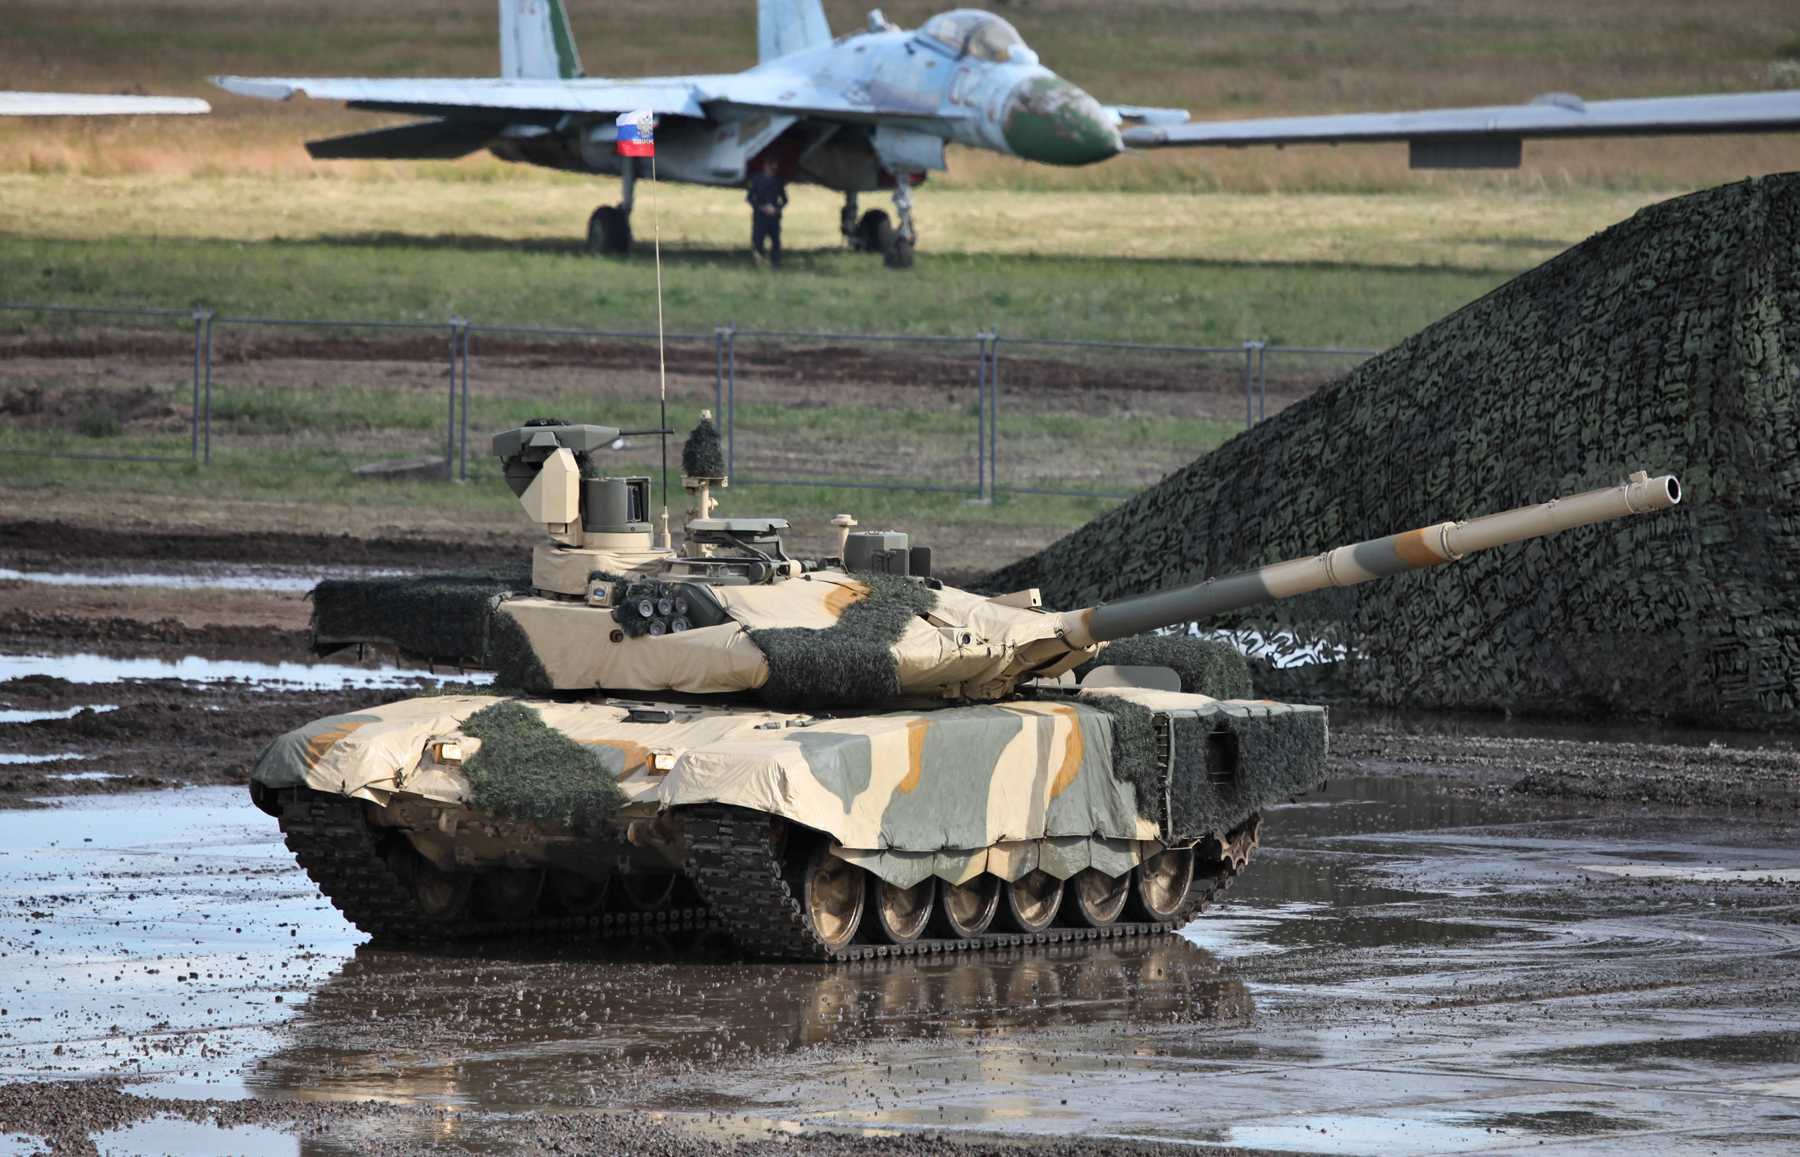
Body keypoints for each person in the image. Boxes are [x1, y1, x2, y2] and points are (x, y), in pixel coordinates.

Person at [746, 160, 788, 268]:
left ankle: (776, 264)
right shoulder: (757, 180)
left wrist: (777, 209)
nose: (772, 171)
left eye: (774, 169)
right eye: (771, 168)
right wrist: (760, 207)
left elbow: (784, 199)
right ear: (765, 167)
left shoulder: (778, 181)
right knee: (758, 240)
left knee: (775, 241)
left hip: (774, 217)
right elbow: (749, 198)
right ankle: (757, 262)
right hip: (760, 216)